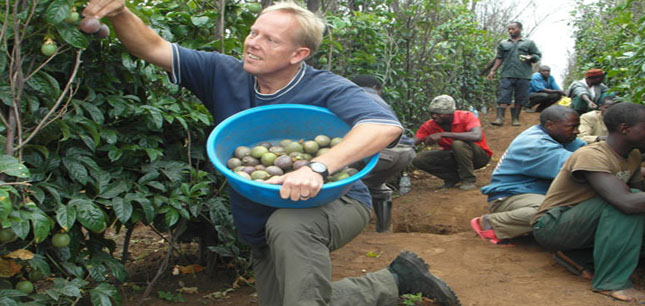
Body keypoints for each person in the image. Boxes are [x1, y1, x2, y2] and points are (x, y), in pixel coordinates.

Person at [82, 1, 461, 305]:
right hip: (257, 221)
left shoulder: (328, 87)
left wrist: (318, 166)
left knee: (289, 226)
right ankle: (394, 279)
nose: (253, 43)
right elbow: (152, 47)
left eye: (270, 39)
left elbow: (385, 126)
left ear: (299, 53)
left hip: (337, 203)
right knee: (292, 297)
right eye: (253, 32)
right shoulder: (223, 73)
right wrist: (120, 12)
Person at [531, 102, 645, 303]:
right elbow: (627, 202)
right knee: (625, 202)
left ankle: (581, 257)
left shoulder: (633, 155)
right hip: (554, 226)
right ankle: (612, 282)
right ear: (625, 129)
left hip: (594, 222)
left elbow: (643, 203)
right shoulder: (590, 155)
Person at [472, 106, 585, 245]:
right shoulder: (535, 144)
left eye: (577, 126)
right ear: (550, 125)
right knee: (550, 213)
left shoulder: (560, 136)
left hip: (532, 190)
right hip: (510, 196)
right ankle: (492, 223)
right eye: (572, 127)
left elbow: (585, 151)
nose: (577, 131)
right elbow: (581, 164)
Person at [350, 74, 416, 233]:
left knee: (341, 180)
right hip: (405, 153)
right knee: (375, 184)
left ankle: (348, 229)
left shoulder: (350, 95)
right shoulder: (380, 101)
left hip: (381, 152)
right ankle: (383, 229)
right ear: (375, 88)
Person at [412, 95, 492, 191]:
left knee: (458, 144)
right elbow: (413, 141)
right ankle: (452, 178)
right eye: (432, 113)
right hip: (455, 157)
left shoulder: (466, 116)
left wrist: (443, 134)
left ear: (450, 114)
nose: (434, 116)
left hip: (479, 157)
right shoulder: (430, 125)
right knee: (417, 158)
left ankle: (468, 180)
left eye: (439, 113)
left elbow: (476, 136)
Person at [487, 21, 542, 126]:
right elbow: (499, 58)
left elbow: (537, 56)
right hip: (507, 74)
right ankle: (500, 118)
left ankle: (515, 119)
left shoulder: (529, 43)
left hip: (523, 75)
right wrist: (493, 70)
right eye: (509, 29)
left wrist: (530, 57)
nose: (510, 31)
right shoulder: (504, 43)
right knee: (503, 95)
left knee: (520, 97)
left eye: (513, 29)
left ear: (520, 29)